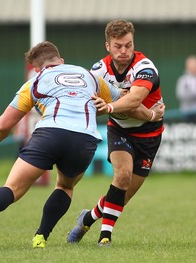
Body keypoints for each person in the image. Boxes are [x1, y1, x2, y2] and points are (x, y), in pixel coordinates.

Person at [0, 41, 164, 251]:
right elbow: (129, 105)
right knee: (65, 187)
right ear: (61, 60)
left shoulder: (36, 81)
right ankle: (41, 236)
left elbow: (3, 125)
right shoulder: (90, 77)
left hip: (49, 134)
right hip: (83, 139)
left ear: (36, 67)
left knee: (13, 188)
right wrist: (152, 114)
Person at [67, 19, 164, 246]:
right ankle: (105, 238)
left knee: (123, 195)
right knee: (122, 176)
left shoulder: (145, 68)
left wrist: (110, 106)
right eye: (118, 46)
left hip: (150, 134)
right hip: (119, 130)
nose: (124, 51)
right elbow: (87, 101)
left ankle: (87, 218)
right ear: (107, 46)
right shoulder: (98, 71)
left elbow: (135, 99)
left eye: (128, 45)